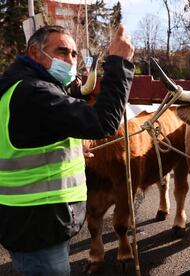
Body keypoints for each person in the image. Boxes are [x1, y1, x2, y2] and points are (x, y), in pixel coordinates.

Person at [0, 24, 134, 275]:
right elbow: (103, 123)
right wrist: (120, 63)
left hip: (29, 222)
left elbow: (27, 139)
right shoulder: (34, 92)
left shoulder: (17, 86)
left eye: (74, 54)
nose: (70, 60)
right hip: (38, 227)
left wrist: (70, 150)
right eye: (62, 51)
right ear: (34, 53)